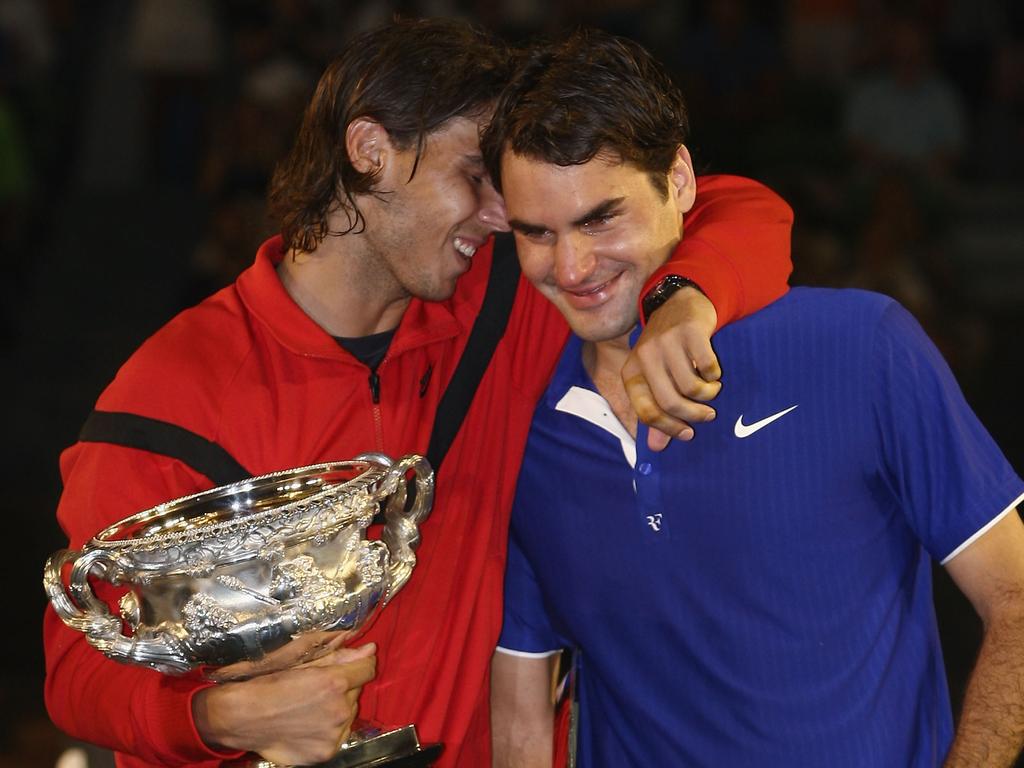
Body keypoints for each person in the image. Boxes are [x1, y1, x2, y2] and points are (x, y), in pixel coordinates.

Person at [42, 18, 794, 768]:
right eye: (473, 177)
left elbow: (739, 209)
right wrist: (218, 716)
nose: (502, 216)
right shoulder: (173, 392)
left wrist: (685, 298)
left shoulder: (506, 301)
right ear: (371, 151)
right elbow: (77, 673)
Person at [483, 29, 1024, 768]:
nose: (572, 266)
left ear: (678, 181)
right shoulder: (526, 429)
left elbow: (1017, 601)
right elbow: (519, 712)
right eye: (536, 233)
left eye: (600, 217)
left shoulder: (861, 347)